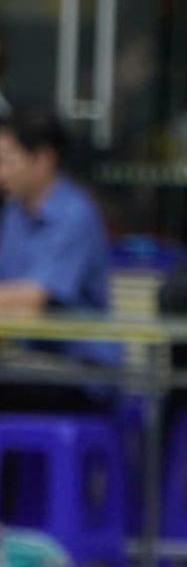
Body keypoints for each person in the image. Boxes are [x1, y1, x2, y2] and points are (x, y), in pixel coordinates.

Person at [0, 108, 116, 411]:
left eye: (7, 161)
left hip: (80, 370)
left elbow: (32, 298)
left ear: (42, 160)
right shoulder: (14, 213)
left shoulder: (74, 214)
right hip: (30, 360)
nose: (1, 174)